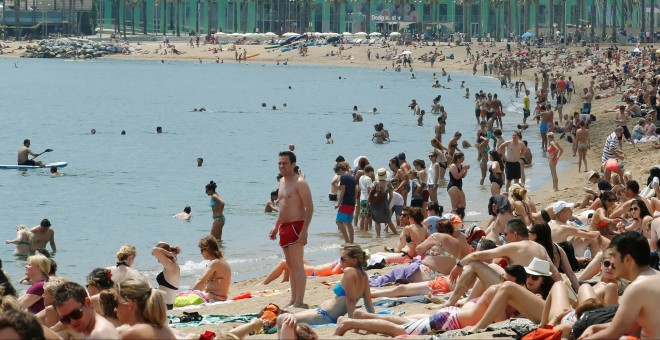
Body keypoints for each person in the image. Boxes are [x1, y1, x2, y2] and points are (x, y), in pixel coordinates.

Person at [579, 232, 660, 339]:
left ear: (627, 259)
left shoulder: (637, 288)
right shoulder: (655, 276)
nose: (612, 262)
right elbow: (631, 324)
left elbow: (612, 334)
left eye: (614, 256)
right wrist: (596, 327)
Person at [269, 151, 313, 309]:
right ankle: (293, 299)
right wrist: (276, 226)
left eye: (285, 163)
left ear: (293, 164)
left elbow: (310, 207)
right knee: (290, 265)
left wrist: (305, 230)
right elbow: (283, 208)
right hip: (284, 226)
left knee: (298, 265)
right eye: (280, 163)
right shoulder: (281, 181)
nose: (281, 166)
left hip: (297, 226)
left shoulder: (300, 182)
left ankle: (299, 301)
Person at [291, 244, 374, 324]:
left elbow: (351, 300)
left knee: (283, 319)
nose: (340, 261)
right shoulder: (364, 274)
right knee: (287, 316)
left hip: (325, 315)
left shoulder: (349, 271)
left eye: (342, 259)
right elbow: (367, 300)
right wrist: (373, 317)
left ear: (354, 260)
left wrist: (351, 321)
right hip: (324, 312)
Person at [52, 282, 120, 339]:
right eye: (65, 319)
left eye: (76, 314)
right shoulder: (92, 331)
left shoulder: (100, 335)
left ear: (88, 303)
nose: (72, 321)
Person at [191, 236, 231, 302]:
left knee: (184, 298)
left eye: (202, 250)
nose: (201, 253)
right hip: (221, 296)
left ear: (208, 250)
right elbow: (203, 283)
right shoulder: (222, 261)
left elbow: (201, 281)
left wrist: (190, 293)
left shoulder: (214, 262)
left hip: (215, 296)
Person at [264, 257, 343, 284]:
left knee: (284, 262)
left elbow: (335, 272)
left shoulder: (343, 261)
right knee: (292, 256)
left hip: (313, 272)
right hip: (313, 268)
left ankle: (264, 282)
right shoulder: (345, 261)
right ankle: (285, 279)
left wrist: (341, 260)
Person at [152, 242, 180, 310]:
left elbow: (155, 250)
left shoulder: (172, 267)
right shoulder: (173, 264)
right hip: (165, 305)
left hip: (162, 306)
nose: (158, 260)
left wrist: (169, 253)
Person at [334, 163, 356, 243]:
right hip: (352, 202)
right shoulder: (352, 177)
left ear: (340, 170)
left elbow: (343, 189)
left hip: (346, 202)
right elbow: (356, 189)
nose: (338, 174)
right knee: (348, 223)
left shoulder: (343, 177)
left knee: (338, 221)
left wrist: (338, 202)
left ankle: (347, 241)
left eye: (337, 173)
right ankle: (351, 241)